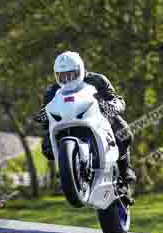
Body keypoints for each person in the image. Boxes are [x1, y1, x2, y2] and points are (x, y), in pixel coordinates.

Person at [34, 51, 136, 184]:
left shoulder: (97, 80)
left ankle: (125, 167)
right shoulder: (52, 91)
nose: (67, 79)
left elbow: (117, 99)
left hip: (97, 118)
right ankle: (68, 169)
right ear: (56, 75)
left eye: (71, 74)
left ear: (80, 69)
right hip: (66, 123)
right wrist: (43, 117)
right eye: (62, 76)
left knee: (124, 133)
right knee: (47, 147)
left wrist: (112, 106)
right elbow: (46, 114)